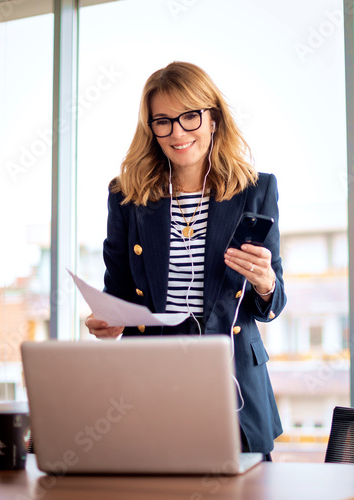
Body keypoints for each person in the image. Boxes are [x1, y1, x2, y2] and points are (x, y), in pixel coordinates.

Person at [85, 61, 287, 459]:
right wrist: (108, 320)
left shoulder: (255, 190)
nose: (177, 132)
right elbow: (120, 294)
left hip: (233, 384)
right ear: (151, 129)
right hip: (151, 381)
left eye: (189, 116)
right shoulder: (127, 196)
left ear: (212, 119)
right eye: (163, 121)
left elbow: (271, 305)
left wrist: (265, 284)